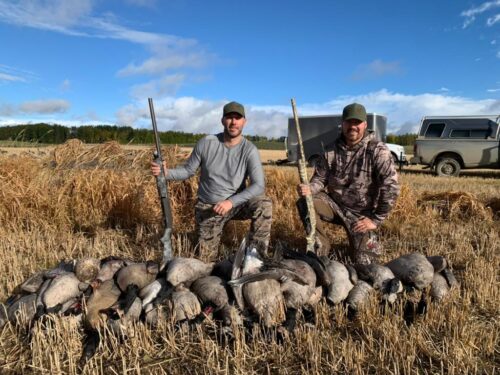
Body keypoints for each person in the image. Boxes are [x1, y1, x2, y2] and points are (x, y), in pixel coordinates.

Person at [151, 101, 272, 258]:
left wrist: (231, 202)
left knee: (264, 204)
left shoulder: (250, 150)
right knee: (206, 260)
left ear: (244, 121)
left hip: (236, 204)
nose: (233, 122)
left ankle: (255, 257)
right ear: (222, 120)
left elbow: (258, 185)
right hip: (209, 207)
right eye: (229, 117)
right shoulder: (206, 143)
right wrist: (166, 173)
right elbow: (187, 171)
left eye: (238, 118)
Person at [296, 103, 400, 264]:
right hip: (335, 206)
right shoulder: (330, 150)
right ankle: (321, 247)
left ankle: (357, 247)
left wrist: (375, 220)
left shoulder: (378, 150)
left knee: (366, 264)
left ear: (365, 124)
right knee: (306, 202)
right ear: (342, 123)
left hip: (361, 215)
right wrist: (310, 188)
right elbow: (320, 179)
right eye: (348, 122)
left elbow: (391, 187)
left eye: (357, 122)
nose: (353, 126)